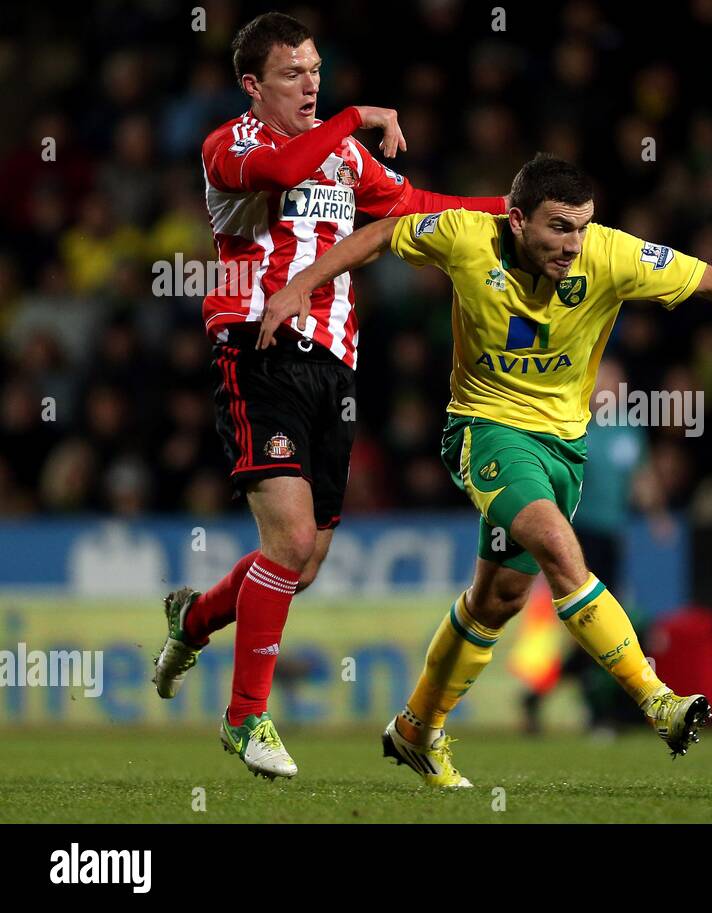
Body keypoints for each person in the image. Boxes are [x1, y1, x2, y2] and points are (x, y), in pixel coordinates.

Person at [261, 152, 712, 787]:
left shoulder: (610, 255)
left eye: (582, 227)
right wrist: (303, 284)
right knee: (559, 548)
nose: (573, 244)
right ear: (515, 221)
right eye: (558, 228)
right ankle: (659, 702)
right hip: (486, 431)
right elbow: (381, 232)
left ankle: (415, 729)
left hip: (565, 447)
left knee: (499, 599)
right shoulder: (464, 235)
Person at [151, 11, 506, 780]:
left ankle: (194, 616)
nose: (311, 85)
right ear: (253, 85)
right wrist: (355, 114)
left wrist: (507, 213)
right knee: (288, 545)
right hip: (259, 350)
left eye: (317, 70)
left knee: (302, 562)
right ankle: (245, 719)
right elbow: (281, 174)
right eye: (292, 74)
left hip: (335, 370)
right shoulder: (232, 146)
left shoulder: (344, 158)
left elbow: (413, 207)